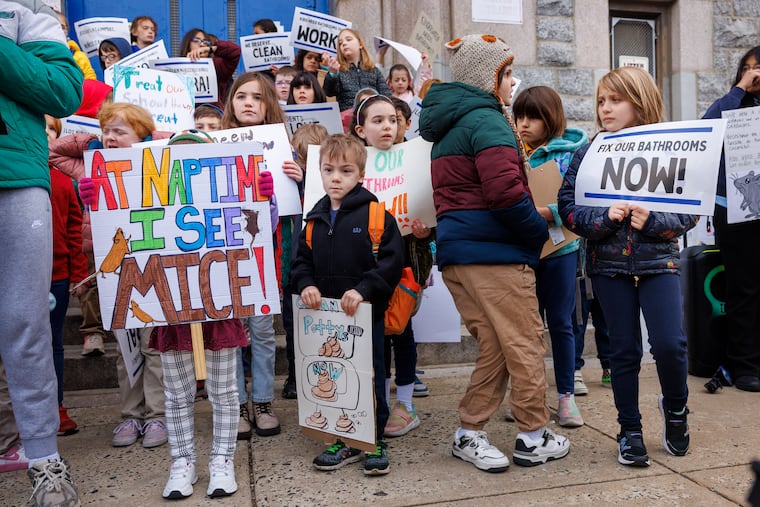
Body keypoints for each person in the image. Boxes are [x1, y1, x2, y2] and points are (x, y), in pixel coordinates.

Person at [419, 34, 570, 472]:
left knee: (499, 347)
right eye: (506, 74)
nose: (511, 84)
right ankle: (533, 435)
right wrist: (531, 237)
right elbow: (505, 196)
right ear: (490, 77)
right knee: (524, 343)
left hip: (459, 254)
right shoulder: (487, 121)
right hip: (495, 255)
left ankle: (469, 431)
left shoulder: (450, 124)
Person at [558, 66, 695, 466]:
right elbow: (570, 209)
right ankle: (629, 428)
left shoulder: (670, 146)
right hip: (608, 267)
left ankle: (676, 411)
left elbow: (689, 212)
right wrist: (604, 217)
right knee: (624, 352)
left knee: (671, 345)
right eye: (601, 100)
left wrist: (654, 221)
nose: (605, 108)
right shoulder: (590, 151)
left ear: (640, 102)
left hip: (658, 264)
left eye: (615, 100)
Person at [143, 130, 274, 499]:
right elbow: (122, 229)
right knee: (177, 394)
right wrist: (97, 204)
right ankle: (182, 462)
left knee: (224, 392)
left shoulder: (230, 197)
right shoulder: (155, 199)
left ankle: (222, 460)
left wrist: (264, 196)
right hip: (173, 313)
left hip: (219, 310)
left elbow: (262, 227)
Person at [50, 103, 172, 450]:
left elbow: (186, 142)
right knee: (125, 346)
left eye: (120, 131)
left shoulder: (158, 161)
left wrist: (152, 141)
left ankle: (156, 416)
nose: (110, 136)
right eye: (107, 130)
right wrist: (91, 144)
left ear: (141, 135)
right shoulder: (92, 163)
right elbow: (52, 152)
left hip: (153, 268)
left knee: (153, 345)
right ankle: (130, 415)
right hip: (114, 269)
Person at [0, 2, 83, 504]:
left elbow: (62, 88)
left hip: (15, 180)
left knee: (25, 322)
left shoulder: (19, 14)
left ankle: (44, 461)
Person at [291, 133, 404, 475]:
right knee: (332, 377)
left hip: (364, 319)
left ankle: (371, 438)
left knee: (368, 377)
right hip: (326, 323)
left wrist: (364, 289)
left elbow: (391, 262)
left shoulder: (376, 216)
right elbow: (299, 263)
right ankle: (340, 438)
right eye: (328, 170)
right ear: (319, 173)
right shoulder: (313, 220)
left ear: (360, 175)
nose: (336, 178)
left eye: (345, 171)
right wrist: (306, 284)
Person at [512, 85, 589, 427]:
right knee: (525, 326)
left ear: (551, 118)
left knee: (560, 322)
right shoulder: (512, 152)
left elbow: (581, 200)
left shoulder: (571, 153)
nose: (524, 124)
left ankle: (566, 396)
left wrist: (550, 212)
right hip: (523, 248)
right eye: (519, 116)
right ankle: (528, 398)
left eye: (533, 117)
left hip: (561, 250)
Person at [220, 72, 291, 439]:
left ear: (269, 105)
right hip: (223, 261)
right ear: (230, 102)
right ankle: (234, 405)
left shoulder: (282, 150)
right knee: (233, 334)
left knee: (262, 333)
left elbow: (300, 205)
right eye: (241, 96)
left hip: (264, 260)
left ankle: (262, 401)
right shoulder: (210, 145)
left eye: (258, 97)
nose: (248, 103)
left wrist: (300, 176)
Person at [702, 46, 760, 393]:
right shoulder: (731, 105)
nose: (754, 73)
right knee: (745, 289)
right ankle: (745, 366)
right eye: (748, 68)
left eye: (759, 68)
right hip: (738, 210)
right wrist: (739, 89)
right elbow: (707, 128)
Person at [45, 115, 89, 437]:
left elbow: (75, 230)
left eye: (50, 128)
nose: (43, 133)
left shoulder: (62, 181)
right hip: (19, 277)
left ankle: (57, 407)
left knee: (54, 343)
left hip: (57, 276)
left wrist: (78, 274)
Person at [280, 123, 330, 399]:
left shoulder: (325, 181)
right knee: (293, 323)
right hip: (295, 264)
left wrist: (308, 177)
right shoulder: (289, 180)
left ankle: (318, 374)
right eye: (300, 157)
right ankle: (295, 375)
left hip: (322, 265)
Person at [323, 28, 392, 111]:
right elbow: (329, 92)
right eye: (340, 43)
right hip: (348, 120)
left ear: (360, 44)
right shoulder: (339, 71)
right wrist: (332, 74)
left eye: (348, 39)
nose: (344, 43)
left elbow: (386, 96)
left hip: (371, 116)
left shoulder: (373, 70)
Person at [179, 29, 240, 107]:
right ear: (187, 44)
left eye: (205, 42)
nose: (202, 45)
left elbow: (235, 51)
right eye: (196, 40)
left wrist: (210, 49)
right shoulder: (176, 68)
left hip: (212, 116)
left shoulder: (216, 66)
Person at [55, 11, 96, 80]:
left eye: (62, 27)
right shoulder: (35, 54)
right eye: (54, 26)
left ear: (67, 31)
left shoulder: (79, 57)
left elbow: (91, 84)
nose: (58, 30)